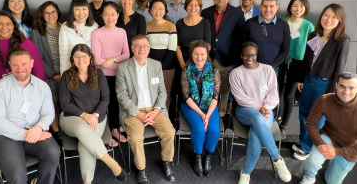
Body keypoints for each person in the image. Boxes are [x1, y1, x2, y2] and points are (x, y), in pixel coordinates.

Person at [0, 50, 60, 184]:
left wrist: (39, 128)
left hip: (34, 131)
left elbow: (48, 114)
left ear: (32, 64)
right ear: (9, 65)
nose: (20, 68)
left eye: (24, 64)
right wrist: (26, 134)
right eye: (15, 65)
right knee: (17, 175)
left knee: (53, 153)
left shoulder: (42, 86)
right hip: (4, 136)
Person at [58, 44, 125, 184]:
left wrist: (94, 115)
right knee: (83, 129)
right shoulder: (66, 76)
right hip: (72, 119)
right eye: (77, 56)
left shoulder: (98, 74)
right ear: (72, 59)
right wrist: (84, 115)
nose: (80, 59)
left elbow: (105, 99)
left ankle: (87, 182)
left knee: (85, 144)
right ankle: (111, 163)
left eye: (84, 56)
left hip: (97, 118)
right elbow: (65, 104)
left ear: (90, 58)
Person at [299, 72, 357, 184]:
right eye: (342, 86)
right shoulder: (325, 100)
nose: (346, 92)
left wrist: (337, 152)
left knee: (332, 181)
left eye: (351, 88)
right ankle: (309, 177)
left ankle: (330, 168)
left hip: (352, 147)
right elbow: (311, 124)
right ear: (336, 85)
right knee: (313, 160)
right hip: (329, 137)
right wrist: (320, 143)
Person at [292, 3, 350, 161]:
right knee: (303, 112)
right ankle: (303, 141)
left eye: (333, 17)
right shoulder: (314, 35)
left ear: (339, 21)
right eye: (326, 15)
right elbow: (306, 60)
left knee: (316, 118)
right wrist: (301, 79)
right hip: (309, 80)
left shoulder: (342, 41)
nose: (328, 19)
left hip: (323, 84)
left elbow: (339, 68)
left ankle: (307, 147)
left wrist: (332, 91)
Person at [116, 35, 176, 183]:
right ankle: (141, 169)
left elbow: (162, 91)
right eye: (137, 46)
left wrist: (156, 110)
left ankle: (166, 161)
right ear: (132, 48)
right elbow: (121, 95)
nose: (141, 49)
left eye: (145, 46)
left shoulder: (156, 65)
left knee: (170, 132)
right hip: (133, 111)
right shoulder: (123, 67)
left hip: (155, 109)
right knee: (136, 138)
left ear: (149, 48)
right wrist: (139, 114)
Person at [229, 42, 292, 184]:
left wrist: (267, 107)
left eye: (252, 55)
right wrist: (260, 107)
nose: (249, 58)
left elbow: (274, 94)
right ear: (241, 56)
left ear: (257, 55)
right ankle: (277, 159)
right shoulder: (235, 73)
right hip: (245, 111)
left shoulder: (268, 70)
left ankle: (245, 173)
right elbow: (240, 98)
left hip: (267, 111)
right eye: (245, 55)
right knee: (257, 118)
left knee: (255, 134)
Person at [91, 2, 130, 145]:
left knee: (117, 102)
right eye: (106, 14)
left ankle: (116, 127)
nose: (110, 17)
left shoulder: (122, 32)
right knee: (106, 102)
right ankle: (108, 131)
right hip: (102, 75)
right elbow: (97, 60)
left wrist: (111, 60)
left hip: (120, 74)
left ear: (118, 15)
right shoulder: (97, 33)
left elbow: (126, 54)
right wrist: (113, 63)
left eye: (113, 14)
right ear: (102, 16)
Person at [202, 0, 244, 115]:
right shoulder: (206, 12)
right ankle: (208, 114)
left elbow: (241, 36)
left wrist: (237, 57)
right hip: (210, 58)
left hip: (228, 58)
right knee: (209, 89)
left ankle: (222, 116)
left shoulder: (237, 13)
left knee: (225, 90)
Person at [180, 40, 220, 177]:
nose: (199, 57)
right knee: (199, 128)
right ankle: (197, 156)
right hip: (191, 106)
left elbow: (216, 96)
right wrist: (202, 115)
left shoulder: (214, 71)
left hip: (210, 107)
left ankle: (208, 155)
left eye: (202, 54)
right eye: (196, 54)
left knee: (214, 130)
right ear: (191, 55)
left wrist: (208, 115)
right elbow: (186, 96)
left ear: (207, 54)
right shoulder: (186, 71)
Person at [278, 0, 315, 131]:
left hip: (299, 65)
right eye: (295, 5)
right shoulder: (283, 22)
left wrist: (305, 75)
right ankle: (277, 120)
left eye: (301, 5)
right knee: (278, 93)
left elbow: (311, 52)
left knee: (289, 95)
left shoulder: (309, 26)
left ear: (305, 8)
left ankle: (284, 126)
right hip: (282, 62)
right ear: (290, 7)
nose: (297, 8)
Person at [0, 10, 46, 81]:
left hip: (22, 88)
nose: (4, 27)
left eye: (8, 24)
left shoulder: (25, 43)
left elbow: (39, 70)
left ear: (14, 26)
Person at [32, 1, 63, 132]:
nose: (50, 15)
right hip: (48, 74)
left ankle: (66, 129)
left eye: (53, 12)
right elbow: (38, 57)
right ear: (42, 15)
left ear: (58, 13)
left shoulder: (65, 28)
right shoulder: (37, 32)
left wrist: (64, 72)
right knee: (51, 100)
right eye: (47, 13)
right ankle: (56, 130)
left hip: (65, 72)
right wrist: (53, 74)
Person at [243, 0, 290, 70]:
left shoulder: (284, 25)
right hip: (251, 68)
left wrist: (272, 67)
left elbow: (285, 51)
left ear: (277, 7)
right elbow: (243, 47)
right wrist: (252, 64)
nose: (268, 9)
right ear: (261, 7)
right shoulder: (249, 23)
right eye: (265, 6)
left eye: (271, 6)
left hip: (274, 70)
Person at [146, 0, 177, 108]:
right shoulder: (147, 26)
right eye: (154, 8)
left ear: (165, 11)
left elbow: (172, 49)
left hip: (167, 67)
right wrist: (152, 66)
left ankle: (164, 116)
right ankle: (153, 117)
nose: (157, 11)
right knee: (152, 91)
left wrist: (161, 67)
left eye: (161, 9)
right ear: (150, 10)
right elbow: (145, 48)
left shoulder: (171, 26)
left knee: (165, 92)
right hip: (150, 66)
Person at [59, 0, 98, 74]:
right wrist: (64, 74)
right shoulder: (65, 27)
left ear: (88, 11)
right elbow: (63, 54)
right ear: (72, 12)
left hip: (90, 71)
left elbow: (96, 52)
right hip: (72, 70)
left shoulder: (94, 26)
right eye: (77, 10)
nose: (81, 13)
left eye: (84, 9)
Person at [176, 0, 212, 72]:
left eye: (196, 5)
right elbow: (177, 47)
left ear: (200, 8)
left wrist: (199, 63)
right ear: (186, 7)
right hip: (183, 62)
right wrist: (183, 65)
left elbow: (208, 45)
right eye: (190, 5)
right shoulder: (179, 23)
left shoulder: (205, 23)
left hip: (200, 62)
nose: (193, 8)